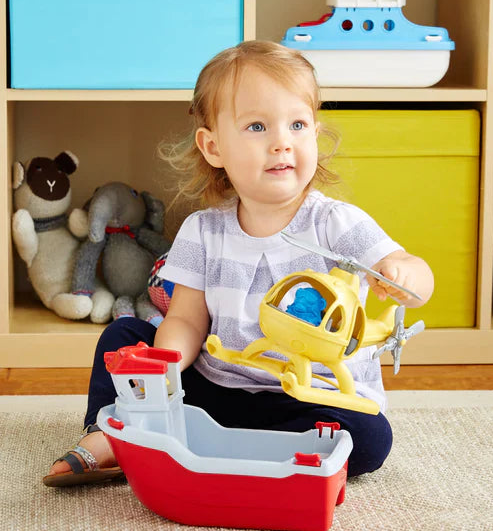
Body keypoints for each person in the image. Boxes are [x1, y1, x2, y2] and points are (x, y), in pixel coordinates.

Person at [43, 40, 433, 487]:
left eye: (298, 124)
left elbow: (409, 269)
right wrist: (164, 366)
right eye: (257, 126)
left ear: (315, 133)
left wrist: (404, 276)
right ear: (213, 147)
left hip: (311, 397)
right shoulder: (203, 230)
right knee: (123, 336)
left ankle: (205, 444)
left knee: (369, 439)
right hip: (219, 389)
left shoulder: (336, 223)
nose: (282, 143)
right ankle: (110, 435)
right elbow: (186, 319)